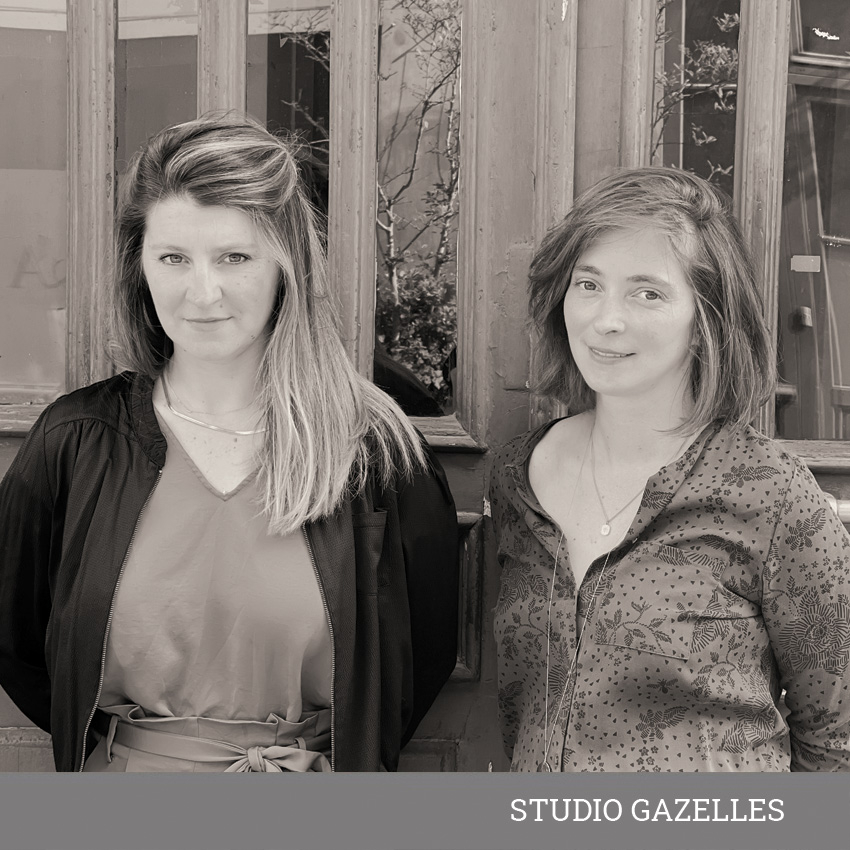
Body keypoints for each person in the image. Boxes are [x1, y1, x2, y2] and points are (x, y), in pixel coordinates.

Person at [0, 116, 459, 773]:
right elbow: (20, 643)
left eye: (234, 258)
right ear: (140, 266)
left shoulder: (371, 452)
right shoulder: (76, 442)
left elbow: (418, 660)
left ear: (285, 266)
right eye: (173, 258)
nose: (202, 292)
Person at [489, 166, 850, 772]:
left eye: (647, 293)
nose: (606, 319)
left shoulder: (771, 494)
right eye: (588, 284)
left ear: (705, 321)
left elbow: (838, 741)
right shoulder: (516, 476)